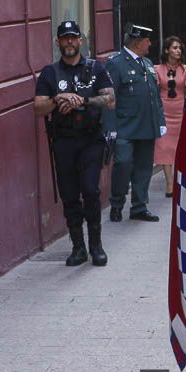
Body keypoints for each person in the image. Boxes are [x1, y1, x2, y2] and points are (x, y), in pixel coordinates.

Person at [35, 21, 116, 267]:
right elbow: (38, 108)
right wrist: (57, 99)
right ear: (57, 42)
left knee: (90, 190)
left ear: (80, 41)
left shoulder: (95, 69)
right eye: (64, 38)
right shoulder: (50, 73)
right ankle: (78, 247)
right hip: (64, 141)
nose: (69, 42)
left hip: (91, 139)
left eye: (73, 38)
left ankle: (96, 245)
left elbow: (110, 99)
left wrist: (83, 100)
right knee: (70, 195)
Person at [104, 24, 166, 222]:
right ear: (138, 42)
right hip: (124, 126)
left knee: (144, 168)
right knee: (123, 164)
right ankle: (117, 203)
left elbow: (154, 95)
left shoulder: (146, 63)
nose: (150, 44)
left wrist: (160, 120)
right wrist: (109, 128)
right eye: (148, 40)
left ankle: (139, 207)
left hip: (146, 125)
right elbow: (109, 98)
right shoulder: (116, 63)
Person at [152, 35, 186, 195]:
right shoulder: (157, 70)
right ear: (167, 50)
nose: (178, 50)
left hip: (181, 112)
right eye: (174, 48)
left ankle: (181, 181)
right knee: (165, 147)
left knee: (182, 148)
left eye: (180, 48)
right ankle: (169, 184)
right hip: (164, 113)